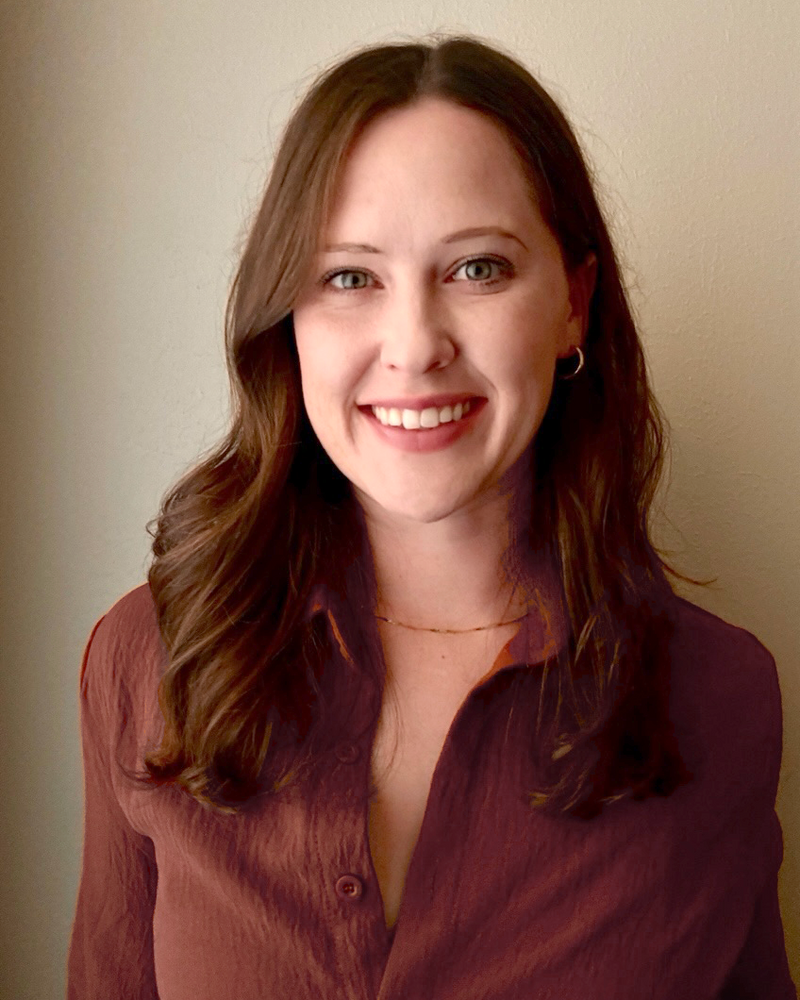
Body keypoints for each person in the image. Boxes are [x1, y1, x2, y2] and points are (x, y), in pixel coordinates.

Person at [66, 34, 796, 1000]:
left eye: (479, 269)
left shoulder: (721, 698)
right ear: (287, 320)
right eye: (349, 277)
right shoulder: (150, 659)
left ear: (573, 303)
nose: (413, 346)